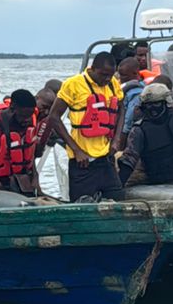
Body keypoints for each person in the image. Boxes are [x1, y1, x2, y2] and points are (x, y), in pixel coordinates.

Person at [49, 52, 125, 202]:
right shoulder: (73, 84)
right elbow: (53, 117)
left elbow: (121, 109)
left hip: (105, 159)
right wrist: (76, 150)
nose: (107, 79)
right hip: (82, 162)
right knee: (82, 206)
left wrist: (116, 139)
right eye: (103, 74)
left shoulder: (112, 83)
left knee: (118, 201)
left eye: (110, 75)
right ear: (93, 69)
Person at [118, 83, 173, 187]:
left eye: (156, 104)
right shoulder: (139, 130)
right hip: (162, 181)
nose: (152, 108)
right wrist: (118, 186)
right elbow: (129, 159)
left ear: (165, 103)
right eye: (148, 104)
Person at [116, 56, 144, 147]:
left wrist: (120, 147)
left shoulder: (136, 94)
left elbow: (127, 122)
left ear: (135, 73)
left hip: (128, 137)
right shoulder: (121, 89)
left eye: (124, 75)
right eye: (120, 74)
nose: (121, 78)